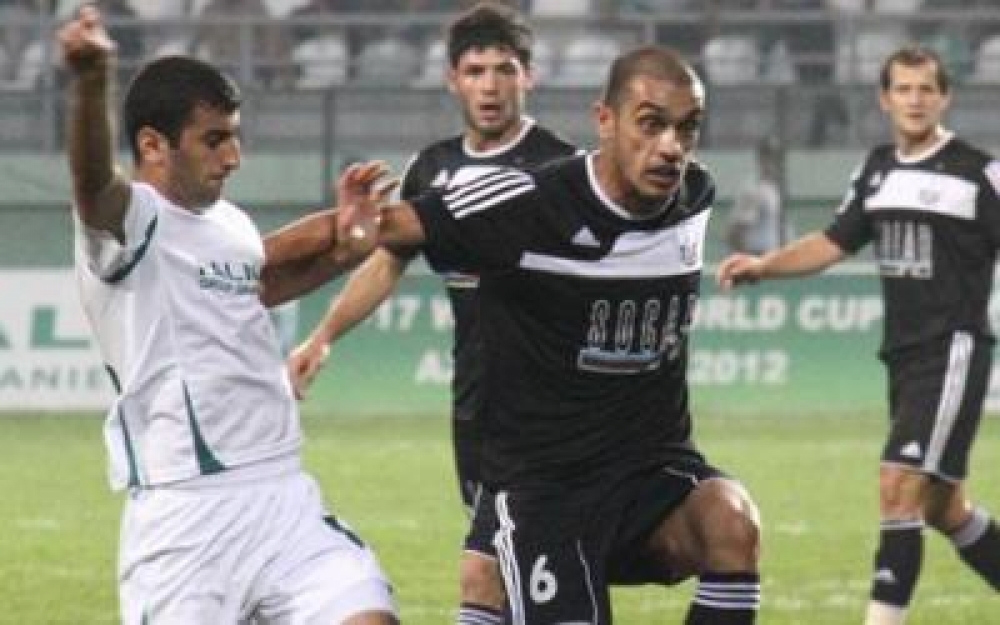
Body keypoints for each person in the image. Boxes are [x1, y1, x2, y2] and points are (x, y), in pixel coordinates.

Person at [337, 44, 762, 624]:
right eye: (652, 124)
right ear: (605, 120)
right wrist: (289, 302)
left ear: (526, 78)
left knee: (729, 520)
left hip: (632, 462)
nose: (671, 146)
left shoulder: (679, 194)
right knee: (484, 575)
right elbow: (387, 241)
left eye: (687, 129)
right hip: (524, 447)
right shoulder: (487, 186)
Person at [59, 7, 397, 624]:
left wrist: (345, 248)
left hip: (282, 498)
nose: (234, 156)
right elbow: (91, 183)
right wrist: (90, 81)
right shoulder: (129, 223)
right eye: (215, 139)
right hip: (186, 520)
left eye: (235, 136)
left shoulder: (229, 222)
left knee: (367, 614)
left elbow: (259, 281)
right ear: (153, 145)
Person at [288, 3, 578, 623]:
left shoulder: (561, 169)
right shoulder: (434, 169)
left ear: (529, 76)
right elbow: (386, 262)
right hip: (477, 399)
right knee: (503, 568)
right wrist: (324, 336)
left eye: (504, 70)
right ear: (452, 80)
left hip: (548, 405)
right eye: (475, 71)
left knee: (495, 567)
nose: (490, 86)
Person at [718, 45, 1000, 625]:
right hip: (903, 358)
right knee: (945, 509)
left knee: (897, 485)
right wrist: (764, 266)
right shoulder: (876, 170)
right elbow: (832, 242)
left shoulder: (978, 174)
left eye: (926, 89)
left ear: (945, 98)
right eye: (904, 89)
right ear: (884, 99)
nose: (915, 100)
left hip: (953, 351)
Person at [725, 138, 784, 255]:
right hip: (755, 255)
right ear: (761, 159)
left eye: (777, 158)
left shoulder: (772, 188)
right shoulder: (754, 189)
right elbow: (736, 231)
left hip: (770, 256)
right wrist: (747, 260)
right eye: (769, 157)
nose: (773, 163)